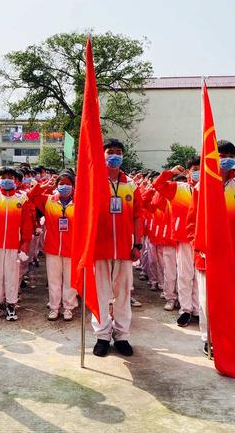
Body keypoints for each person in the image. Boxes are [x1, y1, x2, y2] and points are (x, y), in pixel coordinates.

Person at [187, 140, 235, 355]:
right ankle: (209, 339)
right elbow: (192, 223)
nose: (225, 159)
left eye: (229, 156)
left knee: (231, 301)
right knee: (207, 300)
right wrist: (198, 247)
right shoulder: (202, 188)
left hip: (234, 257)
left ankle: (229, 337)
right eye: (221, 155)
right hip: (208, 256)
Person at [92, 138, 143, 358]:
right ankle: (102, 336)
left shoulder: (131, 185)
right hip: (99, 248)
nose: (115, 155)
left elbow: (138, 216)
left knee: (122, 295)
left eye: (118, 152)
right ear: (102, 155)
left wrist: (138, 243)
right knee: (101, 294)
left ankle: (122, 335)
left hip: (124, 249)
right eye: (110, 152)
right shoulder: (94, 181)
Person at [153, 157, 200, 324]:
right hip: (185, 238)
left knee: (199, 276)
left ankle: (197, 308)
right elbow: (157, 185)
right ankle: (186, 309)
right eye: (195, 168)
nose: (198, 172)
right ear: (188, 171)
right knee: (185, 274)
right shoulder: (178, 188)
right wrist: (171, 172)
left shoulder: (209, 190)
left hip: (203, 239)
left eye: (201, 168)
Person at [0, 168, 32, 322]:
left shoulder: (22, 199)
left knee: (11, 275)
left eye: (10, 177)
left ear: (16, 180)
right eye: (3, 177)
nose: (7, 179)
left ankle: (11, 304)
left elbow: (27, 224)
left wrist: (24, 244)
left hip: (13, 244)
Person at [28, 170, 78, 321]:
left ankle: (69, 307)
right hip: (52, 247)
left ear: (74, 187)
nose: (65, 187)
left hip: (72, 248)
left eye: (68, 184)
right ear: (56, 186)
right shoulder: (48, 200)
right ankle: (54, 307)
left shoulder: (79, 203)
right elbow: (30, 197)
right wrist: (44, 185)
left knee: (70, 280)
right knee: (54, 280)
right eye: (61, 184)